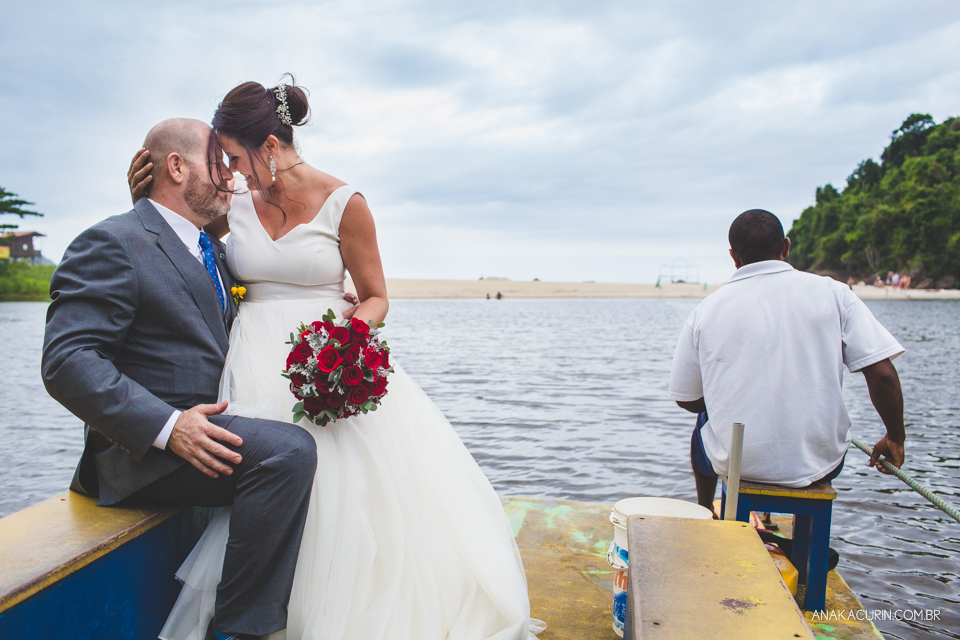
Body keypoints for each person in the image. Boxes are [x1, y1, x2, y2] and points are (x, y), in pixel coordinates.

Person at [129, 79, 539, 640]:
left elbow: (376, 296)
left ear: (270, 146)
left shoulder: (347, 203)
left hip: (325, 354)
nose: (230, 171)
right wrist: (139, 198)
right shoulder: (235, 200)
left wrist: (344, 341)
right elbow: (178, 238)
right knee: (267, 477)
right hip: (251, 362)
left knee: (350, 493)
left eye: (235, 157)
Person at [42, 119, 321, 639]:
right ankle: (245, 630)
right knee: (288, 452)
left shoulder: (211, 250)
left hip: (210, 429)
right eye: (220, 163)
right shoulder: (112, 242)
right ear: (176, 166)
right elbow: (68, 361)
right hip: (145, 453)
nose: (233, 177)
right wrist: (171, 427)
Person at [668, 209, 906, 513]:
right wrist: (895, 438)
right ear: (786, 247)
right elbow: (883, 375)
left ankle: (705, 510)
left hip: (741, 464)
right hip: (820, 462)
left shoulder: (707, 309)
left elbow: (686, 400)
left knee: (705, 420)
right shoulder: (834, 293)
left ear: (733, 256)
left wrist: (722, 397)